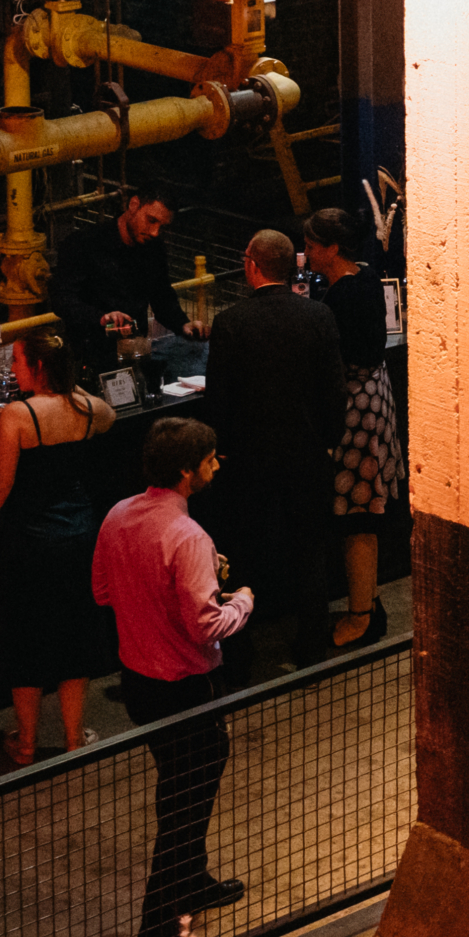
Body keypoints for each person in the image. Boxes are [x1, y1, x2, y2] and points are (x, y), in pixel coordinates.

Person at [94, 418, 253, 937]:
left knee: (176, 789)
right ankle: (160, 935)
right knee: (184, 810)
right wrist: (242, 601)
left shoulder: (118, 516)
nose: (215, 464)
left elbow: (101, 590)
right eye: (208, 459)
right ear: (187, 471)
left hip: (138, 683)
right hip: (187, 689)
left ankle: (193, 881)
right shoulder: (188, 537)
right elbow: (206, 625)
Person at [0, 328, 118, 765]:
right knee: (76, 632)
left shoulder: (18, 414)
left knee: (26, 635)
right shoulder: (88, 408)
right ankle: (74, 738)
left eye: (16, 361)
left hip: (29, 540)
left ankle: (28, 743)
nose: (12, 369)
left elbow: (2, 483)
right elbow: (111, 416)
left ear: (36, 366)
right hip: (79, 534)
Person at [202, 229, 345, 671]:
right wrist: (326, 443)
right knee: (309, 553)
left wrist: (220, 451)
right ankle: (311, 648)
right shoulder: (319, 317)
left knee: (243, 556)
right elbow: (334, 393)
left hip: (248, 462)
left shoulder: (231, 323)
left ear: (251, 265)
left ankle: (241, 655)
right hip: (306, 457)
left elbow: (217, 400)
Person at [301, 206, 401, 650]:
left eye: (310, 245)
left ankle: (361, 617)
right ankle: (368, 603)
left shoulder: (341, 297)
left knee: (358, 516)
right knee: (363, 512)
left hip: (355, 411)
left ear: (331, 248)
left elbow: (335, 361)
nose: (305, 253)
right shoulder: (363, 279)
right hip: (375, 401)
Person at [51, 181, 193, 365]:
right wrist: (102, 317)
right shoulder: (84, 243)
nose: (155, 232)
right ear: (134, 205)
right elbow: (61, 299)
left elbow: (162, 297)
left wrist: (184, 324)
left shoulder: (153, 249)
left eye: (162, 226)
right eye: (151, 220)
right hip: (86, 355)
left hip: (133, 354)